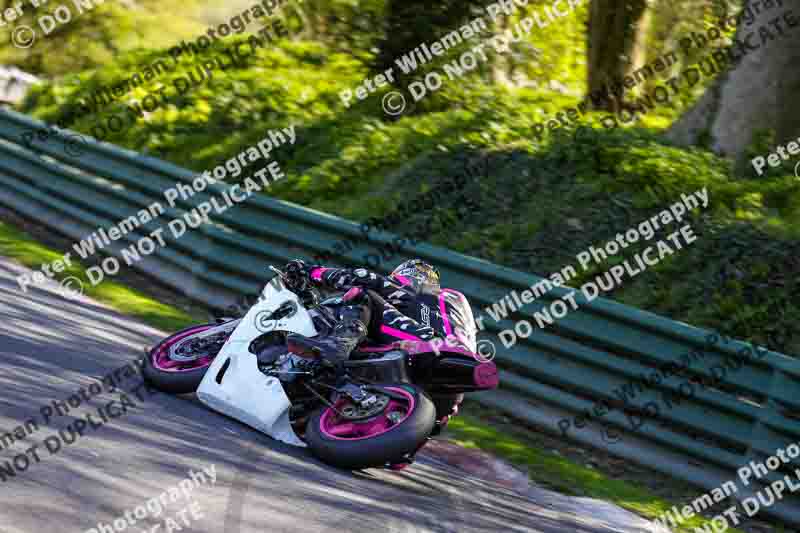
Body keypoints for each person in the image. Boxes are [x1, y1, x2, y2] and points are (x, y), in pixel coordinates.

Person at [282, 258, 476, 362]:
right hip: (448, 385)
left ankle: (339, 343)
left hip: (430, 346)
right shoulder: (443, 307)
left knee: (362, 294)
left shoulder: (422, 294)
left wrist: (311, 271)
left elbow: (364, 277)